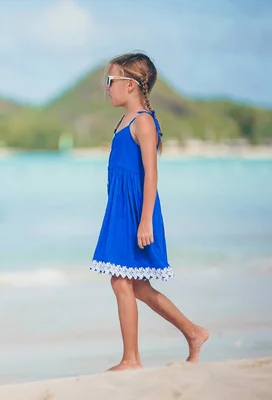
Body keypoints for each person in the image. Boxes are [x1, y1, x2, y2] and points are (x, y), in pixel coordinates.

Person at [90, 52, 209, 371]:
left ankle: (132, 359)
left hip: (136, 211)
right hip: (121, 209)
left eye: (110, 81)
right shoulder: (125, 121)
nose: (107, 88)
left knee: (121, 281)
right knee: (136, 284)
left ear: (129, 85)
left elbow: (151, 173)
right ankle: (193, 332)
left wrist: (145, 221)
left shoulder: (143, 121)